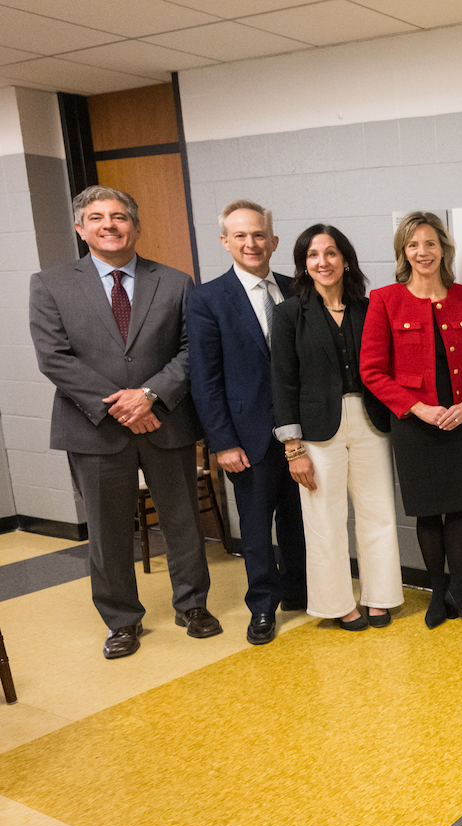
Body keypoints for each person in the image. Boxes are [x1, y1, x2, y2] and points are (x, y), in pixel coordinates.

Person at [29, 186, 219, 658]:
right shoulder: (50, 283)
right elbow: (53, 357)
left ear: (136, 226)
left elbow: (191, 349)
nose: (109, 225)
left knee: (182, 522)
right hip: (93, 428)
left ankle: (193, 605)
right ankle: (121, 620)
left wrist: (150, 396)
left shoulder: (175, 282)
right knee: (108, 530)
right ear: (80, 228)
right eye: (97, 218)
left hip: (165, 419)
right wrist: (121, 405)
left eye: (119, 216)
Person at [360, 212, 462, 628]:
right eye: (414, 245)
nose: (423, 252)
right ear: (404, 252)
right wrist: (418, 407)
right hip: (414, 422)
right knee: (427, 512)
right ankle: (437, 592)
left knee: (459, 510)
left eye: (430, 244)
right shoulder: (385, 300)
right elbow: (372, 371)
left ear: (443, 249)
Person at [187, 200, 307, 645]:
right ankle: (262, 607)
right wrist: (222, 443)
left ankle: (299, 590)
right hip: (246, 438)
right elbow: (205, 379)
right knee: (256, 529)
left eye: (258, 234)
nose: (251, 243)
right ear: (225, 242)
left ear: (273, 241)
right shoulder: (207, 299)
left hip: (302, 435)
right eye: (240, 236)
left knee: (299, 519)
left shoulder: (299, 289)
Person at [270, 225, 402, 630]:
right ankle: (336, 604)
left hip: (370, 421)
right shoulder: (289, 312)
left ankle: (380, 597)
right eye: (313, 255)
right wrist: (293, 447)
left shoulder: (369, 307)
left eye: (331, 253)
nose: (323, 262)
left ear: (346, 260)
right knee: (323, 519)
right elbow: (283, 379)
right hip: (315, 430)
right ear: (304, 265)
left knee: (378, 512)